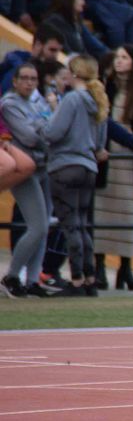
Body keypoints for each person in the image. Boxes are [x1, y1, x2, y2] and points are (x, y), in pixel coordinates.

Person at [41, 54, 108, 297]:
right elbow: (100, 142)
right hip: (88, 166)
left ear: (76, 73)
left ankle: (77, 279)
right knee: (82, 224)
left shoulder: (72, 99)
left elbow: (54, 132)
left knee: (71, 226)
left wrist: (52, 111)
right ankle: (90, 277)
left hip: (65, 165)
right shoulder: (97, 100)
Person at [93, 44, 133, 291]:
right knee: (101, 213)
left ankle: (125, 269)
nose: (119, 61)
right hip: (107, 157)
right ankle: (99, 267)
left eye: (124, 57)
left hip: (132, 162)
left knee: (128, 215)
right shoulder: (104, 87)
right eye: (117, 57)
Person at [0, 63, 52, 298]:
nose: (29, 83)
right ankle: (12, 275)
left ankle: (32, 279)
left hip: (43, 164)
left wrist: (45, 128)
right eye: (25, 78)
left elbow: (50, 128)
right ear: (15, 81)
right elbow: (30, 137)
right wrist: (46, 127)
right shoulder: (10, 103)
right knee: (38, 225)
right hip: (26, 168)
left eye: (33, 78)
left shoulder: (37, 101)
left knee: (43, 226)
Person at [41, 0, 107, 59]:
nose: (83, 3)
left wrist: (111, 57)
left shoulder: (76, 21)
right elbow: (66, 51)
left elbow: (93, 44)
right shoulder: (54, 22)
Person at [0, 24, 64, 93]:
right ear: (38, 45)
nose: (55, 56)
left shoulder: (54, 73)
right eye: (52, 50)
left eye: (58, 51)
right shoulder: (15, 69)